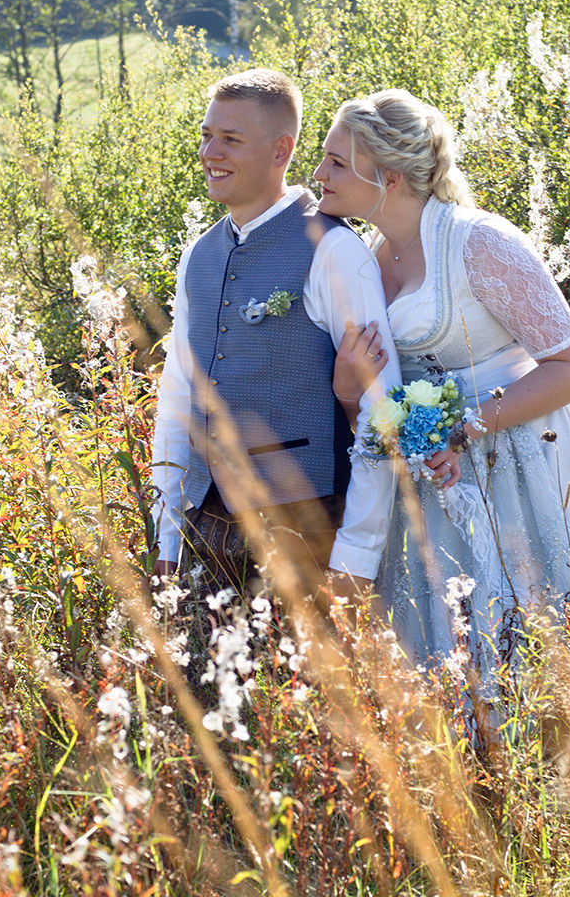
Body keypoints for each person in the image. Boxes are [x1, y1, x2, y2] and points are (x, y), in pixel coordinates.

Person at [316, 88, 570, 677]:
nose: (318, 175)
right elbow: (377, 393)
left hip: (521, 466)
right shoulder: (366, 253)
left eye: (336, 162)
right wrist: (345, 389)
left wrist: (464, 429)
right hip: (430, 481)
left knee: (541, 645)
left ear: (388, 176)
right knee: (452, 654)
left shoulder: (481, 243)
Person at [150, 69, 403, 612]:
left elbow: (384, 410)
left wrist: (356, 555)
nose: (209, 151)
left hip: (307, 525)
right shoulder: (197, 255)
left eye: (231, 139)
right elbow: (176, 399)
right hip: (205, 521)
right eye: (206, 134)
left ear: (280, 149)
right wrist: (167, 532)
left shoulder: (336, 250)